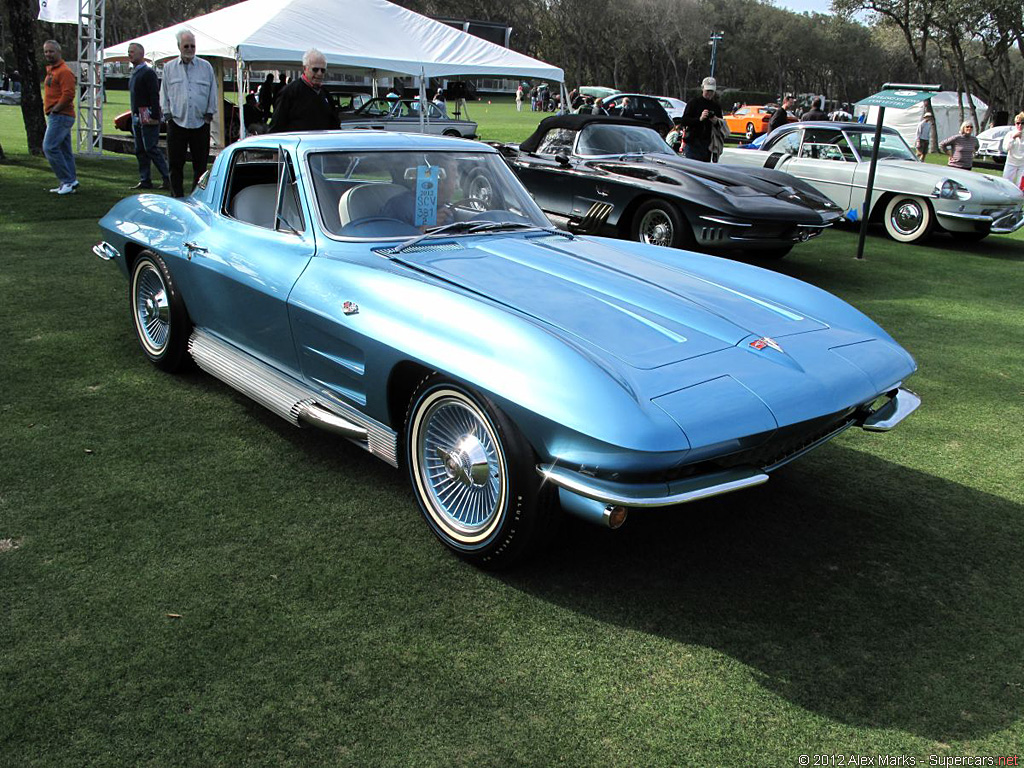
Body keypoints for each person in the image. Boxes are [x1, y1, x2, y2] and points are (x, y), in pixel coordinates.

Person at [160, 29, 218, 198]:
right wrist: (167, 114)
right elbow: (164, 92)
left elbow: (213, 91)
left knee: (200, 166)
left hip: (200, 123)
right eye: (186, 45)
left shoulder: (205, 67)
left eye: (193, 46)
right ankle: (176, 197)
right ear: (179, 46)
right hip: (177, 123)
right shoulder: (169, 68)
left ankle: (196, 197)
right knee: (175, 164)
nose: (190, 49)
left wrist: (209, 113)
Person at [126, 42, 170, 191]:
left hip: (148, 116)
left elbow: (154, 95)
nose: (129, 54)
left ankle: (167, 177)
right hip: (137, 117)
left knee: (151, 148)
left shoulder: (148, 72)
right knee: (140, 149)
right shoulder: (134, 72)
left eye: (132, 51)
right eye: (129, 51)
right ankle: (145, 179)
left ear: (141, 54)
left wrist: (155, 116)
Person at [268, 48, 338, 133]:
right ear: (305, 68)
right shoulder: (290, 92)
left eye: (322, 70)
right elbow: (276, 126)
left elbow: (335, 125)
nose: (319, 73)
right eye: (315, 69)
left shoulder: (325, 94)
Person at [42, 40, 78, 195]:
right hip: (57, 115)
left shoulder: (64, 71)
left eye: (51, 51)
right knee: (64, 150)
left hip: (61, 115)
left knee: (49, 147)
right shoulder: (52, 71)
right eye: (46, 52)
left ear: (59, 52)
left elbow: (69, 94)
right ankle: (70, 181)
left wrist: (56, 109)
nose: (48, 54)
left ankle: (67, 180)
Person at [678, 76, 724, 162]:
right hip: (693, 143)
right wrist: (699, 119)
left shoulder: (716, 106)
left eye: (711, 91)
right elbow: (684, 121)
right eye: (707, 91)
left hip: (708, 144)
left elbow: (721, 126)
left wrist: (716, 121)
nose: (709, 93)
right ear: (702, 88)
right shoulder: (694, 103)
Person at [1001, 112, 1024, 189]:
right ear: (1015, 123)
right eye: (1018, 123)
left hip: (1022, 164)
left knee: (1020, 186)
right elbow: (1005, 149)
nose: (1020, 125)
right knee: (1005, 184)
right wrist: (1013, 138)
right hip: (1011, 162)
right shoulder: (1010, 134)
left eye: (1022, 123)